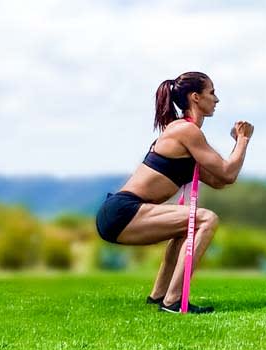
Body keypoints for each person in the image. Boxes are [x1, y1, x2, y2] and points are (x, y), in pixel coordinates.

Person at [95, 71, 253, 314]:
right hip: (123, 211)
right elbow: (227, 172)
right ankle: (174, 301)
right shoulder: (185, 131)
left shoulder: (186, 134)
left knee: (186, 222)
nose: (217, 99)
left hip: (122, 213)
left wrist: (238, 144)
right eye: (212, 92)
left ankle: (159, 296)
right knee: (206, 219)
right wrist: (243, 140)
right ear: (195, 97)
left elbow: (221, 180)